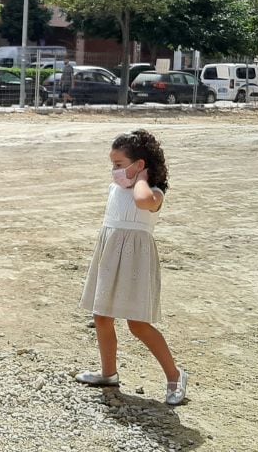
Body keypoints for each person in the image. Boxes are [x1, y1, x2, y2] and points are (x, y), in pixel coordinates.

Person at [76, 130, 187, 405]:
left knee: (137, 324)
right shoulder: (116, 188)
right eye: (112, 165)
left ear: (139, 165)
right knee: (102, 316)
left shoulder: (154, 193)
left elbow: (142, 201)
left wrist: (142, 179)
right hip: (110, 253)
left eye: (119, 165)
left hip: (136, 258)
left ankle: (175, 375)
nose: (114, 171)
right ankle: (108, 373)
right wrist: (128, 176)